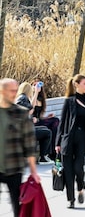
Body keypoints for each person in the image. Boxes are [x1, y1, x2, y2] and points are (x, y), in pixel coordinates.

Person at [55, 74, 85, 209]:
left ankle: (80, 187)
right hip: (68, 139)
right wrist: (57, 142)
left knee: (78, 168)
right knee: (68, 170)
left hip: (83, 140)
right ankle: (71, 200)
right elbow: (62, 123)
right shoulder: (69, 101)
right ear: (77, 84)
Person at [0, 78, 40, 217]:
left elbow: (30, 144)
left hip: (15, 166)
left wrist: (34, 171)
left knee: (18, 207)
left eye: (16, 90)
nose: (14, 94)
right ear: (2, 91)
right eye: (11, 91)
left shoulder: (22, 113)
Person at [15, 82, 54, 164]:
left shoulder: (21, 97)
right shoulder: (22, 98)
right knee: (47, 133)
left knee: (46, 129)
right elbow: (30, 110)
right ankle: (43, 157)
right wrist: (36, 92)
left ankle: (44, 156)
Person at [32, 82, 60, 160]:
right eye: (35, 85)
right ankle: (51, 152)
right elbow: (31, 107)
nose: (37, 87)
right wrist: (35, 92)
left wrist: (47, 117)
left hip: (39, 121)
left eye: (39, 85)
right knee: (52, 124)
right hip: (32, 123)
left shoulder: (41, 100)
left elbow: (39, 117)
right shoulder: (31, 98)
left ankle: (53, 150)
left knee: (55, 120)